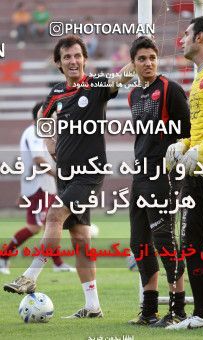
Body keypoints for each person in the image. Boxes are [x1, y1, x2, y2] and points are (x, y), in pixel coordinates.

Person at [3, 34, 134, 319]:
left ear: (85, 59)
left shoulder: (97, 86)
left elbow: (121, 78)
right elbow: (43, 122)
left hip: (89, 174)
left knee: (53, 216)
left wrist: (137, 55)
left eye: (77, 56)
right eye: (67, 57)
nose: (73, 61)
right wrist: (51, 145)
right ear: (58, 63)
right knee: (80, 239)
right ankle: (93, 306)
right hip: (66, 176)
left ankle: (30, 275)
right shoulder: (55, 95)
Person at [165, 16, 203, 330]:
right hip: (196, 173)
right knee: (192, 241)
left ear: (200, 37)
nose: (182, 39)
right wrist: (183, 144)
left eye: (186, 34)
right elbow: (202, 128)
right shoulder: (199, 76)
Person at [127, 36, 191, 327]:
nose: (148, 63)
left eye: (152, 57)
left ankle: (178, 310)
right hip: (140, 175)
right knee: (139, 243)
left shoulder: (171, 89)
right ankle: (149, 310)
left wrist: (176, 170)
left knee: (164, 240)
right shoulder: (133, 95)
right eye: (142, 59)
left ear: (158, 59)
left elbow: (187, 133)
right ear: (134, 63)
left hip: (163, 175)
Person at [0, 102, 75, 275]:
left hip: (44, 187)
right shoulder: (34, 132)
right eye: (52, 114)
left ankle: (57, 263)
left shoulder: (43, 132)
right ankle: (3, 256)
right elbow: (38, 161)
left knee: (51, 224)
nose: (55, 118)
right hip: (38, 187)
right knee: (36, 227)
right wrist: (59, 175)